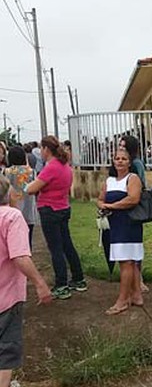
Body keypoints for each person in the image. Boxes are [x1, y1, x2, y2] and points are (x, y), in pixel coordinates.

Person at [0, 176, 52, 387]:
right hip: (6, 296)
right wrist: (40, 283)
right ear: (8, 192)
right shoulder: (12, 217)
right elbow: (20, 256)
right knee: (6, 350)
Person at [26, 136, 86, 300]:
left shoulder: (51, 168)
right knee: (67, 245)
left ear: (46, 149)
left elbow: (32, 188)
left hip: (49, 209)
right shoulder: (64, 166)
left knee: (56, 248)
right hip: (63, 207)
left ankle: (61, 284)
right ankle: (78, 278)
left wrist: (26, 185)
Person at [97, 147, 144, 314]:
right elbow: (101, 198)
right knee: (129, 262)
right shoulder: (109, 181)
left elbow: (133, 199)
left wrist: (111, 206)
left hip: (129, 225)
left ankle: (122, 300)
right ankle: (136, 295)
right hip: (115, 225)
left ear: (129, 162)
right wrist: (102, 205)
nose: (120, 161)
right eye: (117, 158)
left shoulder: (133, 178)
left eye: (123, 158)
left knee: (127, 262)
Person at [118, 135, 148, 293]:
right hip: (120, 208)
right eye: (120, 146)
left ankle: (139, 279)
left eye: (124, 146)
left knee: (135, 244)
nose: (121, 149)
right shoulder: (118, 163)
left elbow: (141, 185)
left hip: (133, 208)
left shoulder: (137, 164)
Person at [4, 146, 37, 249]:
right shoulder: (31, 172)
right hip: (29, 210)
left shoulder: (7, 172)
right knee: (28, 240)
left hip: (13, 210)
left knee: (14, 241)